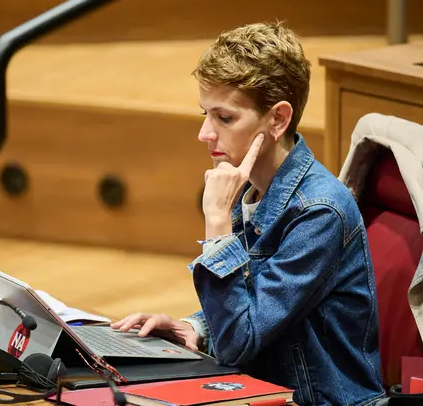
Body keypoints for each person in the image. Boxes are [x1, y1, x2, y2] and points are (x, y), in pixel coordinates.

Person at [111, 22, 385, 406]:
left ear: (277, 119)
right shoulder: (254, 187)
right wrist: (193, 327)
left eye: (224, 118)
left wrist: (219, 227)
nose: (205, 133)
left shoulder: (320, 212)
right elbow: (257, 299)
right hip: (262, 392)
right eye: (205, 114)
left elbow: (240, 342)